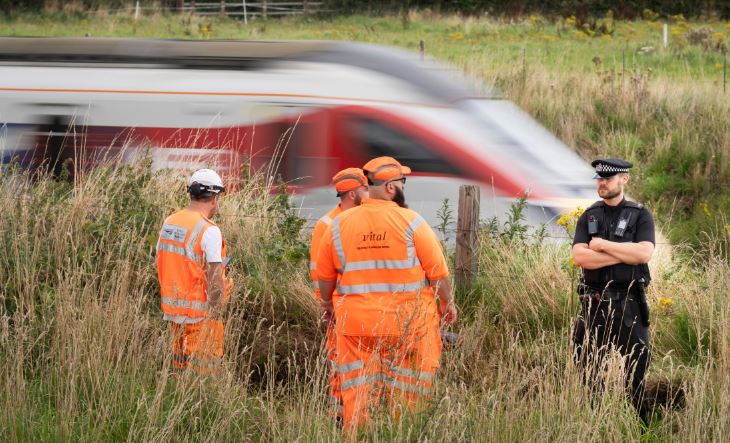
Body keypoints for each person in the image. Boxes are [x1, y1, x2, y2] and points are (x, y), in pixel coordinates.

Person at [317, 156, 457, 434]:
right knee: (408, 390)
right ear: (392, 187)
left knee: (357, 392)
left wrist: (327, 305)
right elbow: (438, 273)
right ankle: (401, 434)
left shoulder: (338, 224)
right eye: (403, 182)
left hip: (356, 326)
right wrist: (447, 303)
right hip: (408, 325)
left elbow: (325, 277)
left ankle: (358, 435)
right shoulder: (411, 222)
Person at [571, 158, 655, 423]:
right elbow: (581, 258)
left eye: (608, 178)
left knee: (636, 375)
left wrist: (604, 245)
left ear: (624, 179)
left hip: (629, 305)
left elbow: (643, 253)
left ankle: (645, 431)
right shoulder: (589, 215)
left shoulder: (640, 214)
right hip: (593, 305)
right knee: (588, 373)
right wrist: (623, 254)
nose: (602, 183)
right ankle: (597, 427)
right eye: (599, 178)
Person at [156, 168, 233, 375]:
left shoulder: (169, 222)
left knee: (179, 370)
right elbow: (215, 277)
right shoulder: (209, 230)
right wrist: (217, 311)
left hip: (173, 312)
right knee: (203, 377)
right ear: (215, 198)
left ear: (191, 193)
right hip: (201, 316)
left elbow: (163, 261)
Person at [309, 167, 369, 420]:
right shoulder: (327, 225)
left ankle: (356, 409)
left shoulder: (360, 221)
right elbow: (319, 273)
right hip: (338, 307)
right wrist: (328, 306)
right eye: (366, 189)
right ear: (353, 194)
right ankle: (339, 411)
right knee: (338, 359)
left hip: (361, 305)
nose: (369, 193)